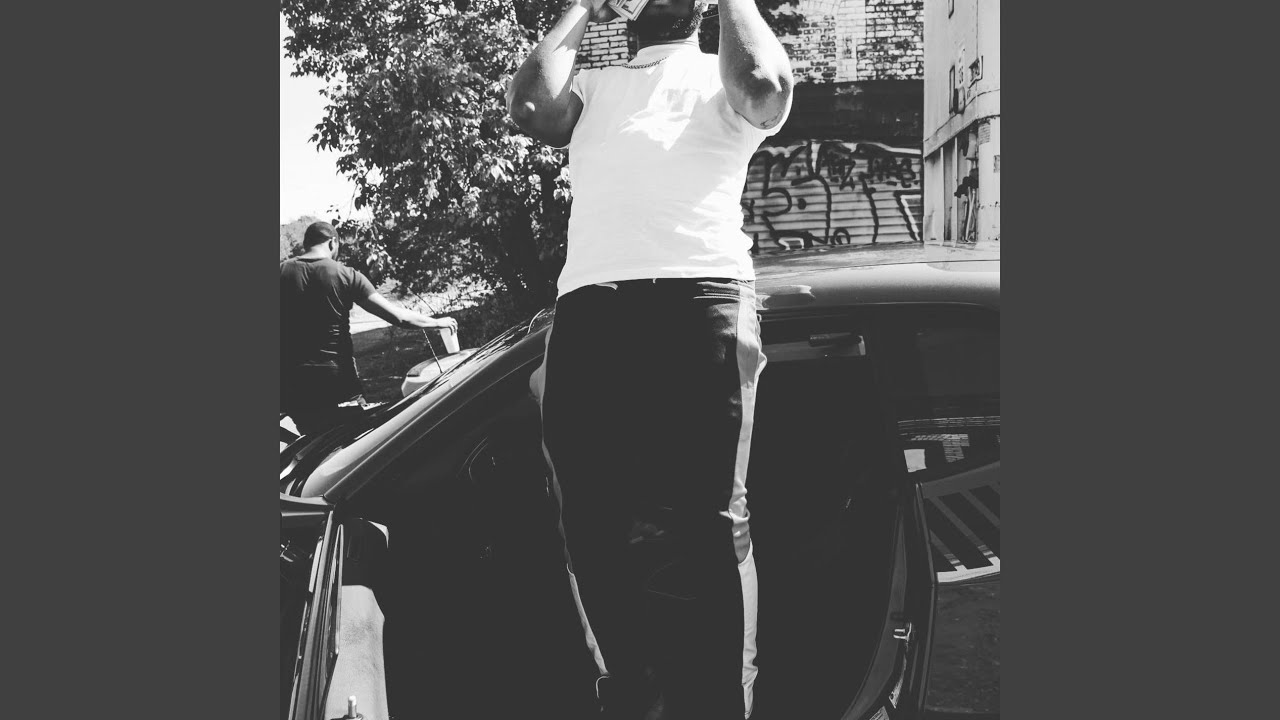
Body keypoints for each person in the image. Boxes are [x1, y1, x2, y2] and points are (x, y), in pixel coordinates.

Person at [508, 2, 792, 718]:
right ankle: (631, 693)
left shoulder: (725, 77)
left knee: (711, 523)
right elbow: (532, 106)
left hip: (704, 298)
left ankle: (722, 703)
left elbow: (765, 85)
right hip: (593, 305)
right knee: (589, 519)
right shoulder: (593, 87)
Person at [280, 221, 456, 436]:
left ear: (306, 244)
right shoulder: (345, 274)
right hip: (338, 385)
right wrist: (438, 322)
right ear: (333, 242)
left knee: (315, 444)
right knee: (351, 444)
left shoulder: (281, 272)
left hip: (294, 389)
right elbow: (399, 317)